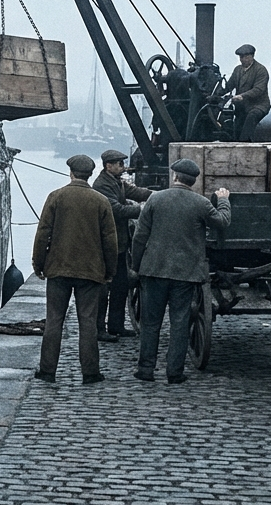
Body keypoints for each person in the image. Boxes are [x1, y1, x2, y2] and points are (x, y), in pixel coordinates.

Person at [129, 158, 231, 384]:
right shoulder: (201, 203)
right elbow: (222, 222)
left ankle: (146, 369)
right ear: (193, 181)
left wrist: (137, 266)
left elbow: (139, 238)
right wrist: (223, 200)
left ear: (174, 176)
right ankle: (174, 372)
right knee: (180, 321)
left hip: (154, 270)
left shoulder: (155, 200)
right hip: (185, 273)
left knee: (151, 322)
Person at [31, 154, 119, 385]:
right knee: (88, 322)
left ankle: (48, 371)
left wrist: (38, 264)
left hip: (58, 269)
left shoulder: (56, 197)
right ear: (89, 174)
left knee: (54, 321)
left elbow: (43, 234)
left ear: (71, 172)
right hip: (91, 272)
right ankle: (90, 373)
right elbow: (110, 240)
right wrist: (110, 270)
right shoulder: (101, 201)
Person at [92, 148, 153, 340]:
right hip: (106, 245)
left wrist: (157, 196)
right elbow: (116, 210)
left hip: (119, 244)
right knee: (103, 289)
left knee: (120, 286)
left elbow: (136, 192)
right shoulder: (102, 185)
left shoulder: (116, 182)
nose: (123, 166)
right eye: (119, 163)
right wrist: (140, 210)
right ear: (108, 165)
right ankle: (99, 329)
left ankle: (116, 326)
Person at [226, 44, 270, 142]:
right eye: (241, 57)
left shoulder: (261, 70)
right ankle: (235, 141)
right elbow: (229, 86)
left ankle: (245, 143)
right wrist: (216, 94)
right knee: (236, 123)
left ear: (252, 56)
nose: (243, 59)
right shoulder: (237, 70)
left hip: (258, 105)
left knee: (252, 116)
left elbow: (259, 89)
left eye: (246, 57)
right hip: (242, 107)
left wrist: (242, 96)